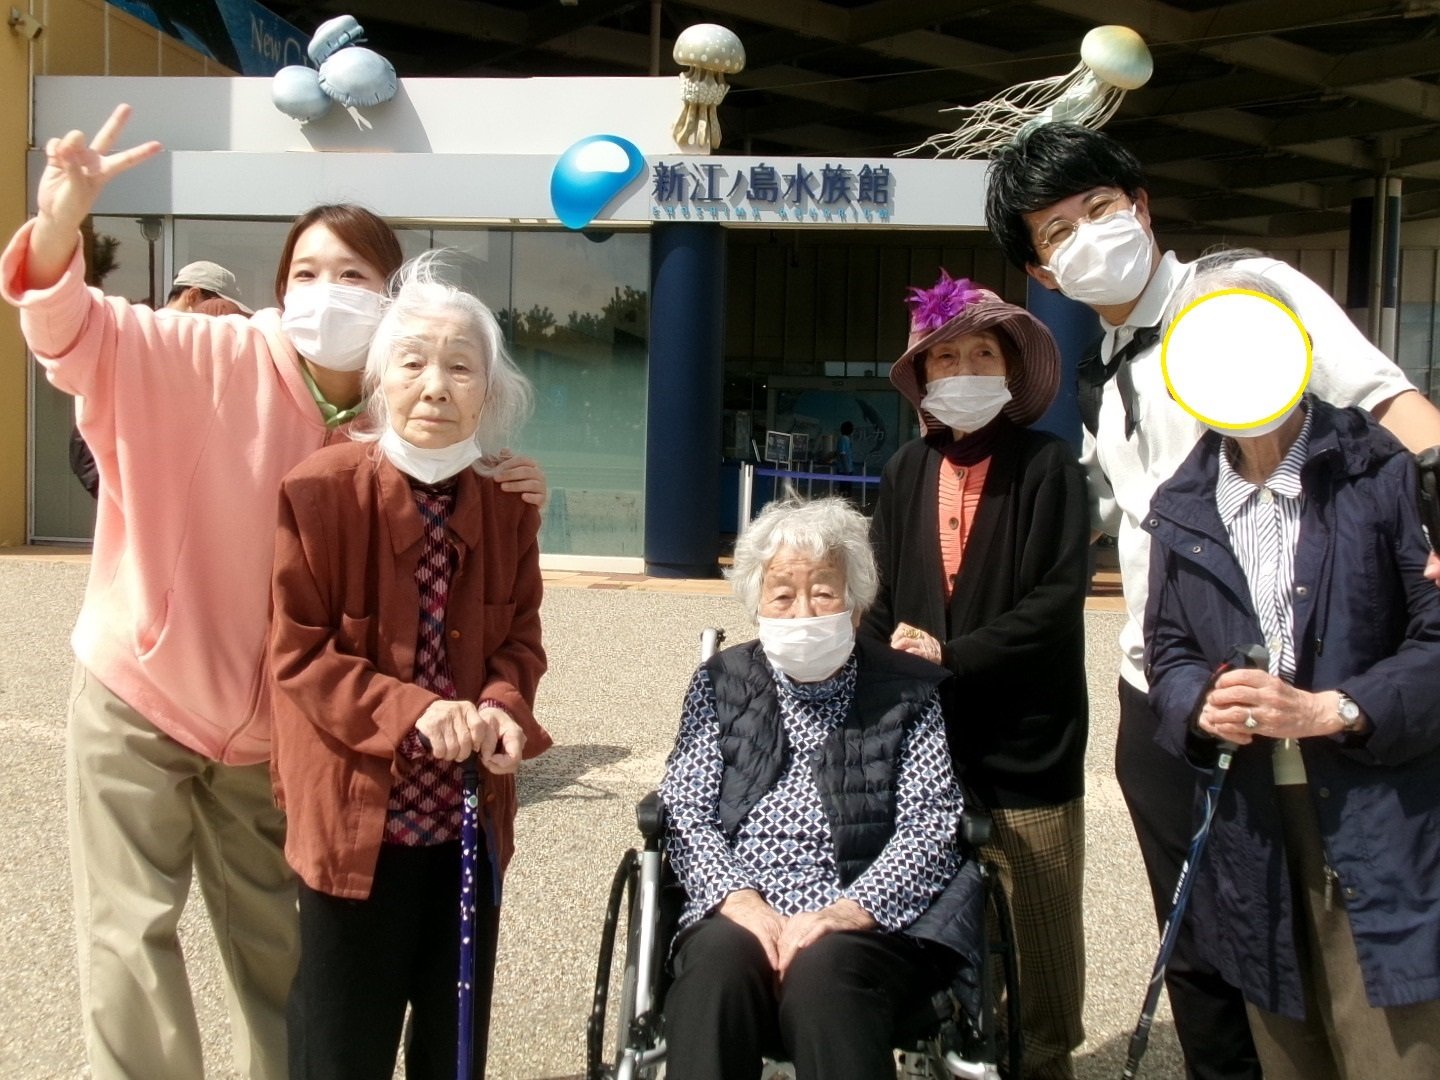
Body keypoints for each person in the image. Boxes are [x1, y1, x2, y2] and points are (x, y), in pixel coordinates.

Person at [0, 104, 545, 1080]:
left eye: (354, 276)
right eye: (306, 272)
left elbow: (472, 565)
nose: (326, 293)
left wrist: (506, 487)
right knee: (128, 943)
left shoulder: (399, 423)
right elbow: (69, 332)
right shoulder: (207, 353)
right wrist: (59, 225)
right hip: (143, 690)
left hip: (280, 741)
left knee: (280, 963)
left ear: (393, 299)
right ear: (276, 286)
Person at [984, 121, 1440, 1080]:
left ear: (1142, 208)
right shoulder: (1100, 382)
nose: (1086, 236)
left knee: (1333, 935)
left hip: (1300, 688)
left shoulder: (1247, 292)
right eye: (1056, 233)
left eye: (1099, 209)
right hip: (1161, 695)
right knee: (1200, 946)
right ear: (1046, 277)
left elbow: (1393, 404)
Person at [1144, 268, 1440, 1078]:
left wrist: (1336, 709)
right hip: (1248, 822)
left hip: (1373, 808)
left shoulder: (1383, 472)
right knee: (1289, 1054)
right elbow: (1165, 651)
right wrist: (1200, 704)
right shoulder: (1182, 503)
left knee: (1396, 1052)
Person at [269, 254, 549, 1080]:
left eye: (462, 367)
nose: (436, 385)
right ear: (380, 378)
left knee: (451, 1048)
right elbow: (298, 652)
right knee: (339, 1048)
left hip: (465, 824)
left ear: (489, 393)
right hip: (356, 829)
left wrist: (502, 706)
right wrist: (415, 711)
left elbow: (520, 640)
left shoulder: (507, 506)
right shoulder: (320, 491)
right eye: (414, 362)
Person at [659, 497, 976, 1080]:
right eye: (782, 594)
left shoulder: (908, 691)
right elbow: (684, 808)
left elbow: (932, 823)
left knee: (825, 977)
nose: (803, 611)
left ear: (856, 607)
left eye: (824, 592)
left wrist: (847, 912)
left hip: (864, 917)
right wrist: (738, 900)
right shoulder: (720, 682)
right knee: (717, 970)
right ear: (756, 605)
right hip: (737, 907)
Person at [862, 271, 1089, 1080]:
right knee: (934, 920)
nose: (961, 371)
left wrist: (953, 656)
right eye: (944, 358)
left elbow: (1058, 600)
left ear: (1008, 369)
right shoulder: (904, 471)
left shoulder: (1051, 466)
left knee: (1039, 927)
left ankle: (1045, 1058)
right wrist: (881, 658)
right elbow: (880, 596)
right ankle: (953, 1050)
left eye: (980, 354)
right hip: (922, 745)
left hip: (1028, 741)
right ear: (923, 380)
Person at [68, 264, 249, 498]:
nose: (218, 317)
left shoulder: (130, 331)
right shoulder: (152, 337)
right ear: (192, 296)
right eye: (213, 305)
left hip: (118, 474)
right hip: (138, 479)